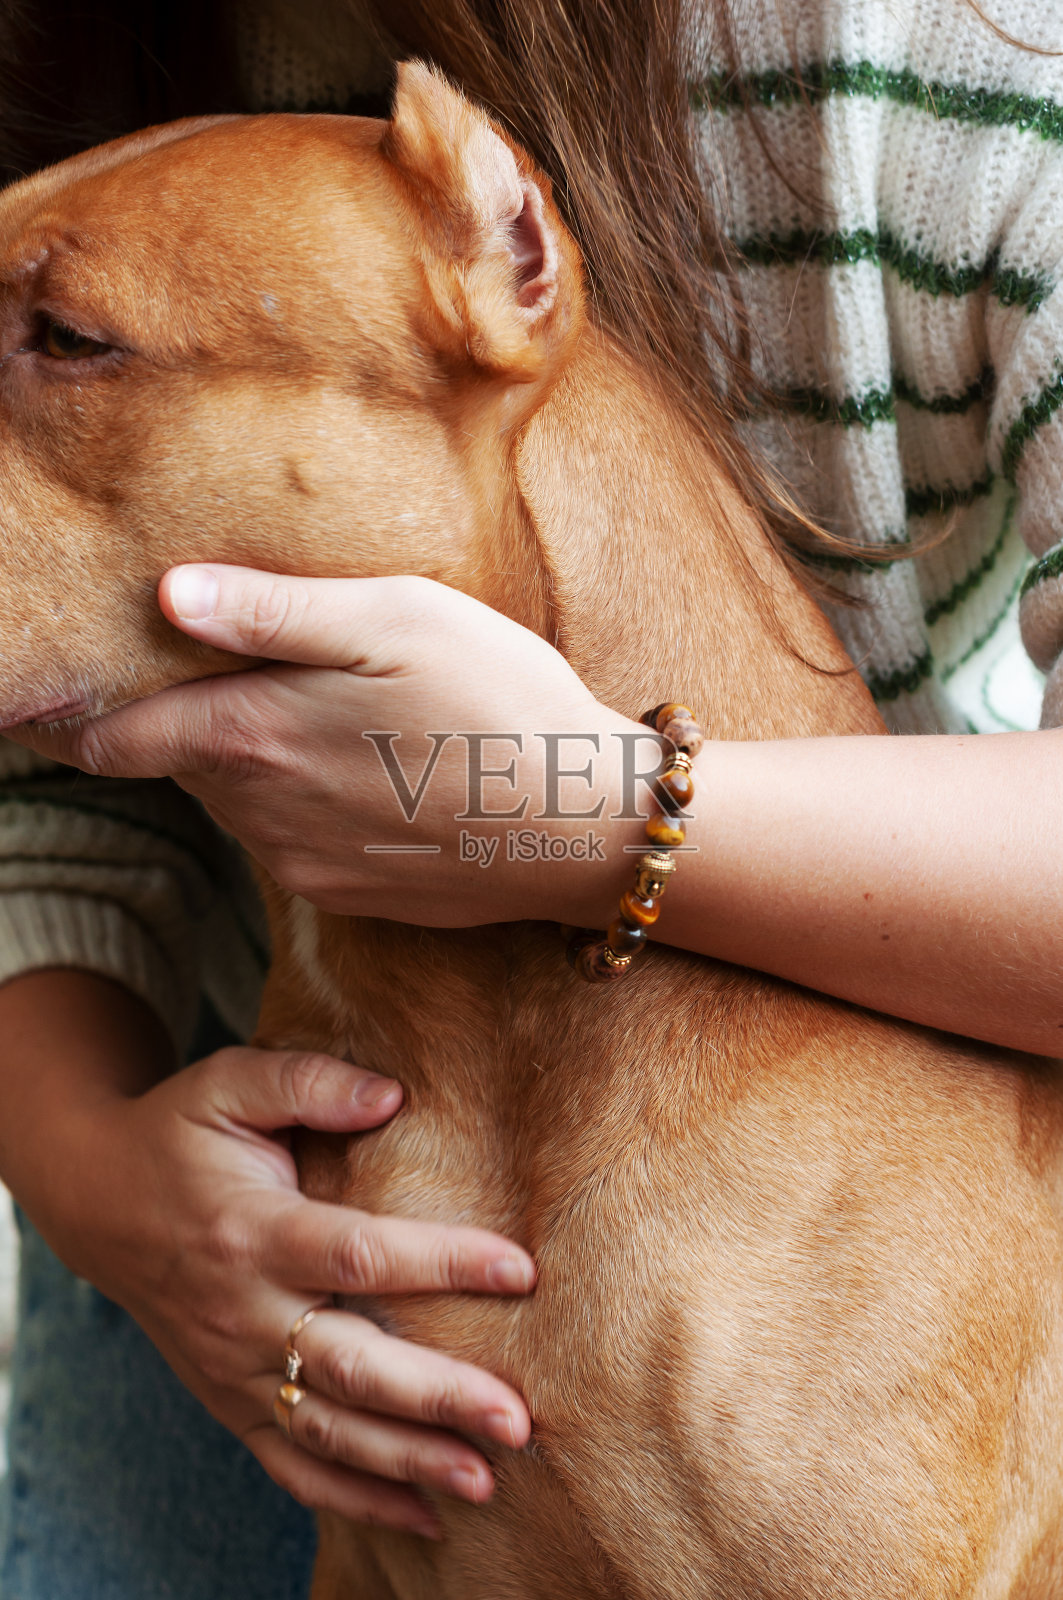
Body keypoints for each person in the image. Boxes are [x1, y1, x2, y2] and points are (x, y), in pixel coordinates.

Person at [2, 0, 1063, 1595]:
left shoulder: (950, 59)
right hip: (220, 1162)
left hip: (892, 982)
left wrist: (562, 810)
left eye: (67, 345)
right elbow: (53, 785)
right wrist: (91, 1176)